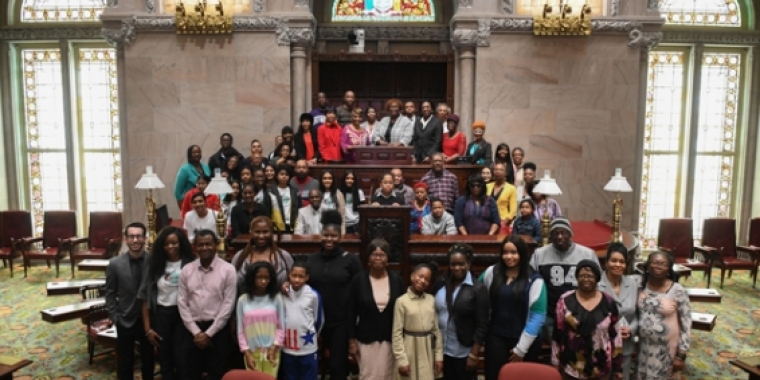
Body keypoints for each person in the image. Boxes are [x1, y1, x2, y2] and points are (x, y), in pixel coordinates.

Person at [285, 210, 363, 380]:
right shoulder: (312, 259)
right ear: (321, 235)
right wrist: (286, 285)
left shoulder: (350, 260)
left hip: (340, 323)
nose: (329, 239)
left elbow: (359, 289)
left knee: (337, 366)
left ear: (340, 237)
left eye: (333, 236)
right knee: (316, 365)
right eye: (326, 235)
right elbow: (301, 283)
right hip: (313, 323)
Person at [480, 235, 547, 380]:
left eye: (514, 252)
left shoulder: (535, 280)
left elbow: (538, 317)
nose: (508, 256)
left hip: (525, 341)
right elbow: (476, 290)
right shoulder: (492, 272)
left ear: (522, 254)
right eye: (505, 252)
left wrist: (521, 349)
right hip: (496, 337)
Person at [178, 230, 237, 380]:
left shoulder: (228, 270)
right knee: (189, 373)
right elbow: (182, 303)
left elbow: (228, 304)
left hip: (218, 330)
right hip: (191, 330)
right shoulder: (187, 270)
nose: (204, 248)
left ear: (216, 245)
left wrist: (209, 333)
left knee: (217, 373)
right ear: (195, 247)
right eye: (200, 245)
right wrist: (197, 333)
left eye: (208, 244)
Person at [139, 227, 196, 380]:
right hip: (162, 314)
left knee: (182, 358)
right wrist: (148, 329)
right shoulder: (155, 264)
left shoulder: (190, 263)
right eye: (166, 244)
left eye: (174, 243)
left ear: (181, 243)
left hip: (183, 315)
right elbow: (144, 297)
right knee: (165, 358)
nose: (170, 247)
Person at [530, 217, 600, 341]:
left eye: (563, 232)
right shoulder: (539, 255)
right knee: (555, 350)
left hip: (580, 314)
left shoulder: (588, 255)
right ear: (551, 236)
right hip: (550, 315)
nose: (560, 236)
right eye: (556, 233)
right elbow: (531, 284)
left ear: (570, 234)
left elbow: (599, 284)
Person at [552, 260, 624, 380]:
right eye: (582, 276)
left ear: (597, 278)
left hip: (601, 368)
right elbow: (557, 334)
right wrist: (555, 362)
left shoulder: (608, 302)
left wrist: (618, 367)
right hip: (571, 368)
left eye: (590, 276)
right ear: (576, 278)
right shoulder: (564, 300)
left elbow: (616, 336)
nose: (586, 279)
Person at [347, 239, 406, 380]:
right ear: (368, 258)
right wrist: (352, 341)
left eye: (382, 254)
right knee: (368, 375)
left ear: (387, 259)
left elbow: (403, 312)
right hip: (366, 341)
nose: (378, 258)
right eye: (374, 254)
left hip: (391, 341)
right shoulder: (358, 280)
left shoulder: (397, 280)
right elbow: (350, 312)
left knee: (389, 376)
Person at [432, 244, 489, 380]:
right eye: (453, 264)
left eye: (461, 264)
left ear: (468, 264)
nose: (457, 268)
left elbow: (482, 326)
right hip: (441, 351)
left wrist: (474, 354)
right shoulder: (441, 283)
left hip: (463, 352)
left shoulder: (478, 289)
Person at [105, 222, 154, 380]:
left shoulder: (154, 260)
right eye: (131, 236)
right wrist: (114, 317)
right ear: (126, 239)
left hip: (149, 319)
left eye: (138, 236)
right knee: (126, 361)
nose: (135, 240)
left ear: (145, 238)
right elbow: (110, 293)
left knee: (149, 359)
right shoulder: (114, 264)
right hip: (125, 318)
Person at [637, 251, 691, 380]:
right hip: (644, 348)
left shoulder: (678, 290)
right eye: (655, 263)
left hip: (667, 351)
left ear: (669, 269)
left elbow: (686, 324)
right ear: (648, 266)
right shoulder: (640, 285)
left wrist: (681, 355)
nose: (658, 267)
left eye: (663, 264)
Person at [392, 263, 443, 380]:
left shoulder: (431, 300)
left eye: (427, 279)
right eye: (420, 276)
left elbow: (436, 331)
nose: (422, 281)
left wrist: (438, 356)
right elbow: (397, 333)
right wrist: (401, 360)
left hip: (427, 350)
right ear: (412, 276)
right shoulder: (401, 301)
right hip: (409, 348)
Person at [236, 261, 285, 376]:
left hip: (272, 352)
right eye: (259, 277)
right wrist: (246, 353)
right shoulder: (243, 300)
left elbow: (282, 327)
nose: (263, 281)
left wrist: (275, 347)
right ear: (252, 278)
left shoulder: (277, 298)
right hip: (251, 353)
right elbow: (240, 331)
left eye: (267, 277)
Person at [598, 243, 638, 380]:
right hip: (602, 344)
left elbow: (638, 314)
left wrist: (631, 329)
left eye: (622, 261)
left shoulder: (633, 284)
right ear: (607, 262)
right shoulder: (596, 283)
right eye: (614, 260)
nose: (618, 265)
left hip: (625, 344)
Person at [281, 262, 324, 380]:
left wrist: (315, 334)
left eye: (301, 277)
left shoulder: (313, 295)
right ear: (289, 275)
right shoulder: (283, 293)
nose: (297, 280)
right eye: (294, 276)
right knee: (291, 376)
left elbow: (318, 319)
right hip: (288, 347)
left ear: (307, 277)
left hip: (308, 347)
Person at [232, 216, 294, 287]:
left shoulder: (284, 256)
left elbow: (294, 279)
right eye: (257, 232)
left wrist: (288, 284)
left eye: (265, 232)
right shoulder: (240, 256)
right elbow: (231, 282)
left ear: (271, 233)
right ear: (251, 233)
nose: (261, 236)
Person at [174, 144, 211, 209]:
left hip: (207, 203)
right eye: (194, 152)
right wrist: (183, 208)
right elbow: (178, 192)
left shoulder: (206, 167)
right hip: (192, 204)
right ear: (190, 154)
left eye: (198, 152)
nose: (197, 154)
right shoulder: (184, 169)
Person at [487, 162, 517, 234]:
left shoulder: (511, 188)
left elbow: (513, 211)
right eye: (496, 169)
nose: (498, 171)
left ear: (505, 173)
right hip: (487, 221)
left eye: (501, 170)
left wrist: (504, 222)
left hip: (503, 221)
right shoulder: (487, 186)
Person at [271, 165, 300, 233]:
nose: (284, 176)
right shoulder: (271, 192)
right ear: (276, 176)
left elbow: (299, 208)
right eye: (281, 174)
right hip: (276, 228)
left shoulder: (295, 191)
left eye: (286, 174)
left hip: (292, 226)